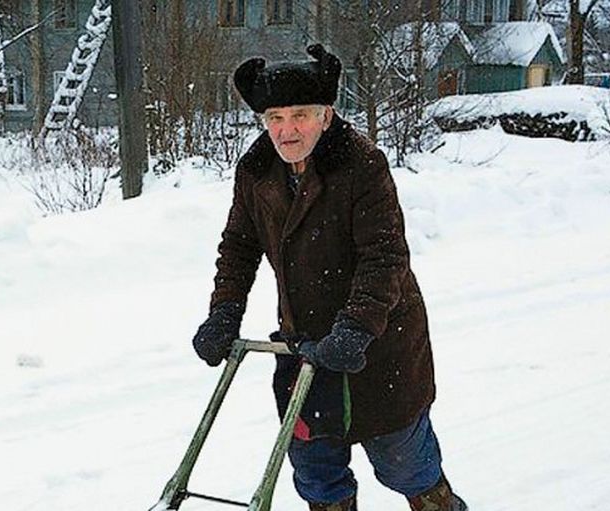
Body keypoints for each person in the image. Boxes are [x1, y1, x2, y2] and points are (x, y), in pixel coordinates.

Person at [191, 44, 468, 511]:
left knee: (405, 465)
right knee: (317, 474)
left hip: (380, 346)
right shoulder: (257, 171)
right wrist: (224, 312)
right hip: (304, 347)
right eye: (275, 117)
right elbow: (239, 246)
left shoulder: (360, 164)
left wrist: (356, 328)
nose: (287, 129)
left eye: (300, 115)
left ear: (326, 114)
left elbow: (384, 256)